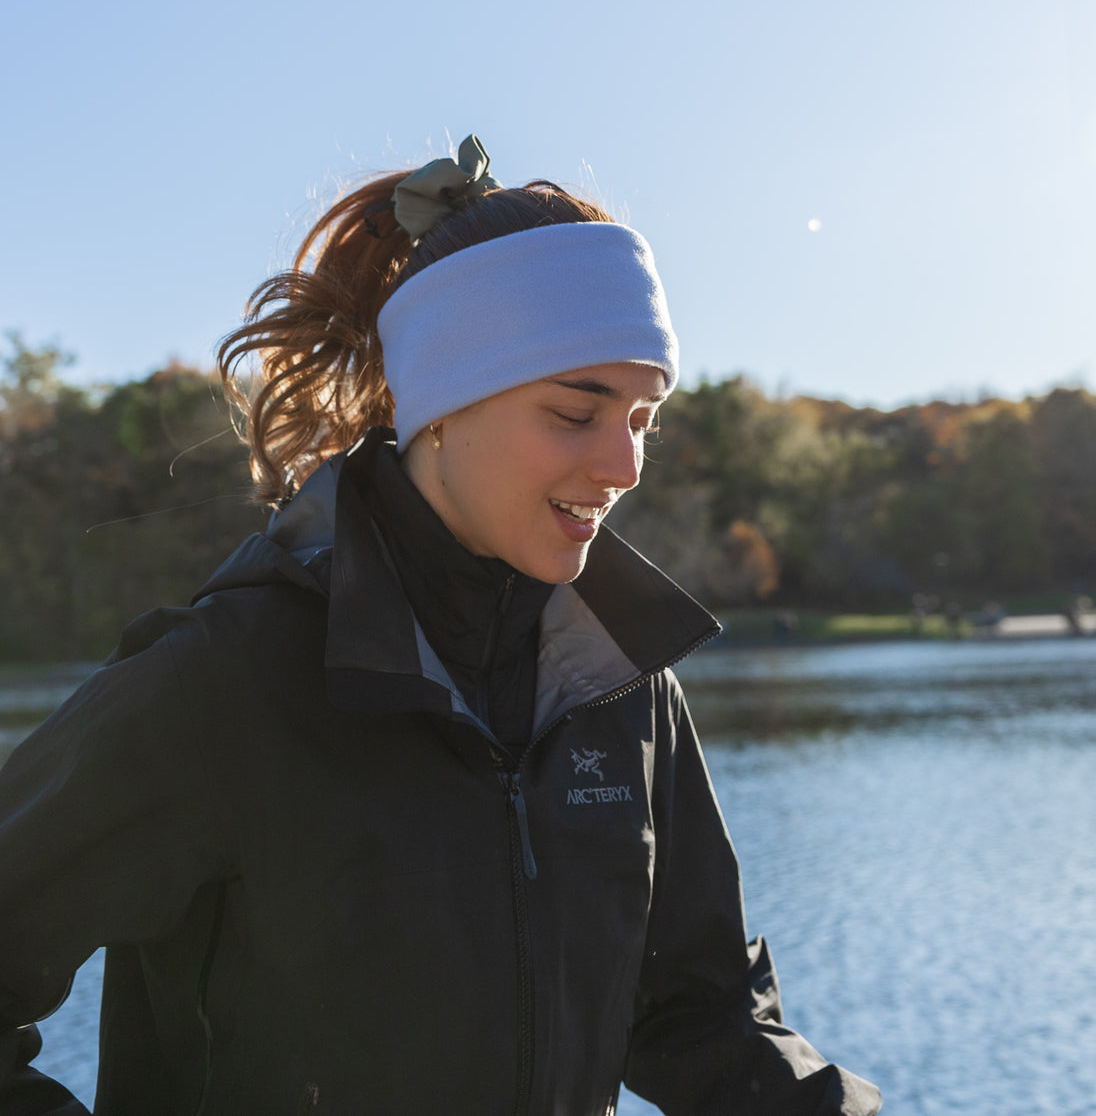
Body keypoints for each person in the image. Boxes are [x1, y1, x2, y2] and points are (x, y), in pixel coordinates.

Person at [0, 137, 882, 1115]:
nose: (624, 465)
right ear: (440, 408)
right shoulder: (227, 680)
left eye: (641, 417)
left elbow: (696, 1012)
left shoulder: (621, 687)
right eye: (573, 411)